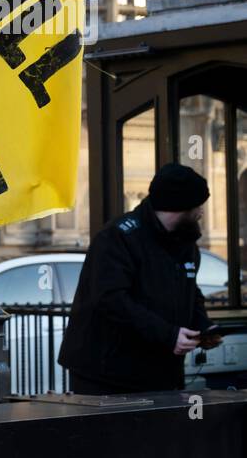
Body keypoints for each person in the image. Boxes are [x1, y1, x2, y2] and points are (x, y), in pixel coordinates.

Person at [57, 163, 217, 395]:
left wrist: (204, 327)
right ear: (181, 206)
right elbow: (111, 299)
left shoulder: (185, 242)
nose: (201, 212)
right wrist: (169, 335)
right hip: (108, 373)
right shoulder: (117, 238)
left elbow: (189, 291)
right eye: (197, 205)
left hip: (159, 371)